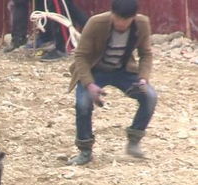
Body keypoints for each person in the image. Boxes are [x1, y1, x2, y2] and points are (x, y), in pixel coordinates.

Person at [66, 0, 157, 165]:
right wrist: (89, 84)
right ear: (112, 14)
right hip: (95, 70)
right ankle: (85, 150)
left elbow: (146, 54)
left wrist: (143, 78)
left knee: (149, 96)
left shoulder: (142, 24)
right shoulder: (96, 23)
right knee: (83, 104)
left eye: (126, 20)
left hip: (123, 70)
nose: (122, 24)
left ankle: (134, 140)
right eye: (118, 19)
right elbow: (81, 56)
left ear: (134, 17)